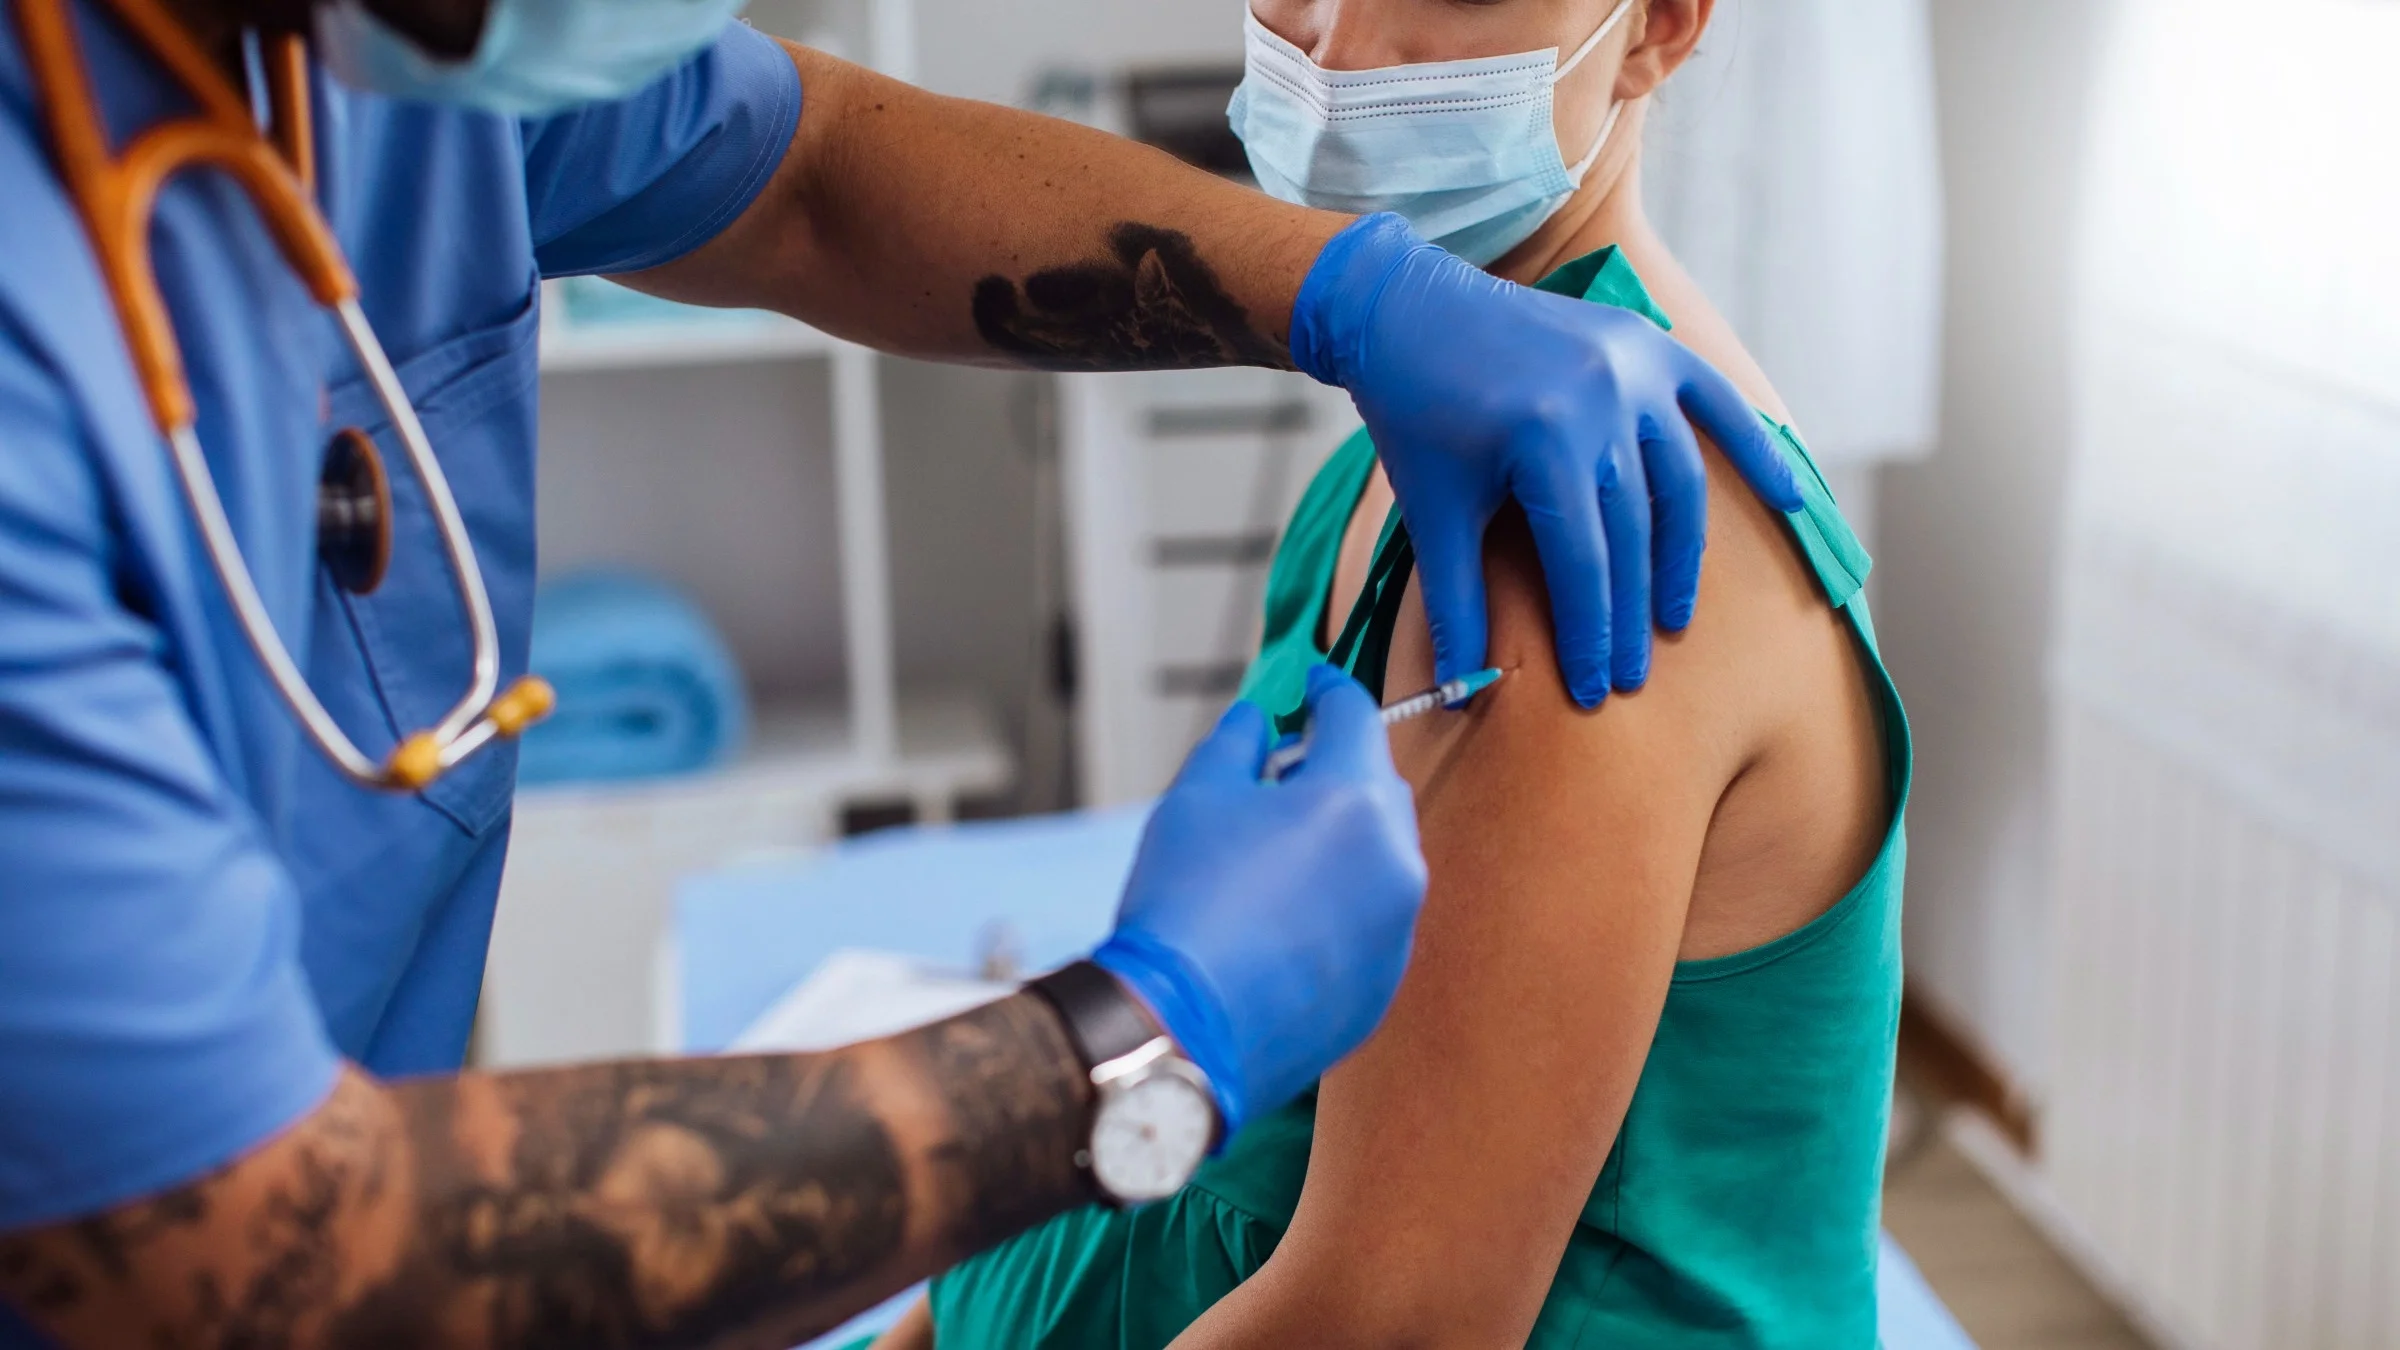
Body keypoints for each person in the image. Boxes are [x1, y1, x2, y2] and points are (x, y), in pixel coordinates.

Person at [0, 0, 1812, 1343]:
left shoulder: (1626, 553)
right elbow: (235, 1238)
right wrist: (1132, 1037)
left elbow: (806, 168)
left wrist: (1326, 288)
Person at [890, 0, 1911, 1345]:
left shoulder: (1589, 536)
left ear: (1658, 25)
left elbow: (1386, 1319)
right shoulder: (1399, 445)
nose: (1334, 43)